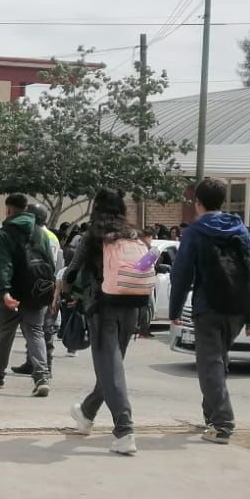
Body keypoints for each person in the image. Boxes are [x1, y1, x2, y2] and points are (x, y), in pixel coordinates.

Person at [168, 177, 250, 445]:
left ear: (197, 202)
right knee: (218, 363)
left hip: (208, 307)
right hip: (237, 307)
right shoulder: (240, 228)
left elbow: (182, 274)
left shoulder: (195, 232)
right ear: (223, 201)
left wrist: (175, 310)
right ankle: (212, 417)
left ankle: (222, 424)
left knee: (210, 366)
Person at [65, 189, 148, 455]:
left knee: (110, 370)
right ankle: (87, 413)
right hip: (132, 305)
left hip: (103, 308)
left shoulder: (94, 235)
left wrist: (67, 288)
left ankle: (125, 431)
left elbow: (71, 272)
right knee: (112, 368)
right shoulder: (133, 234)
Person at [0, 193, 56, 396]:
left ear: (8, 209)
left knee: (6, 331)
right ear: (26, 209)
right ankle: (41, 376)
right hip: (38, 289)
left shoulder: (3, 234)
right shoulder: (40, 231)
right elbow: (49, 262)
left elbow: (3, 265)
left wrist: (5, 291)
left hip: (14, 291)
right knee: (35, 331)